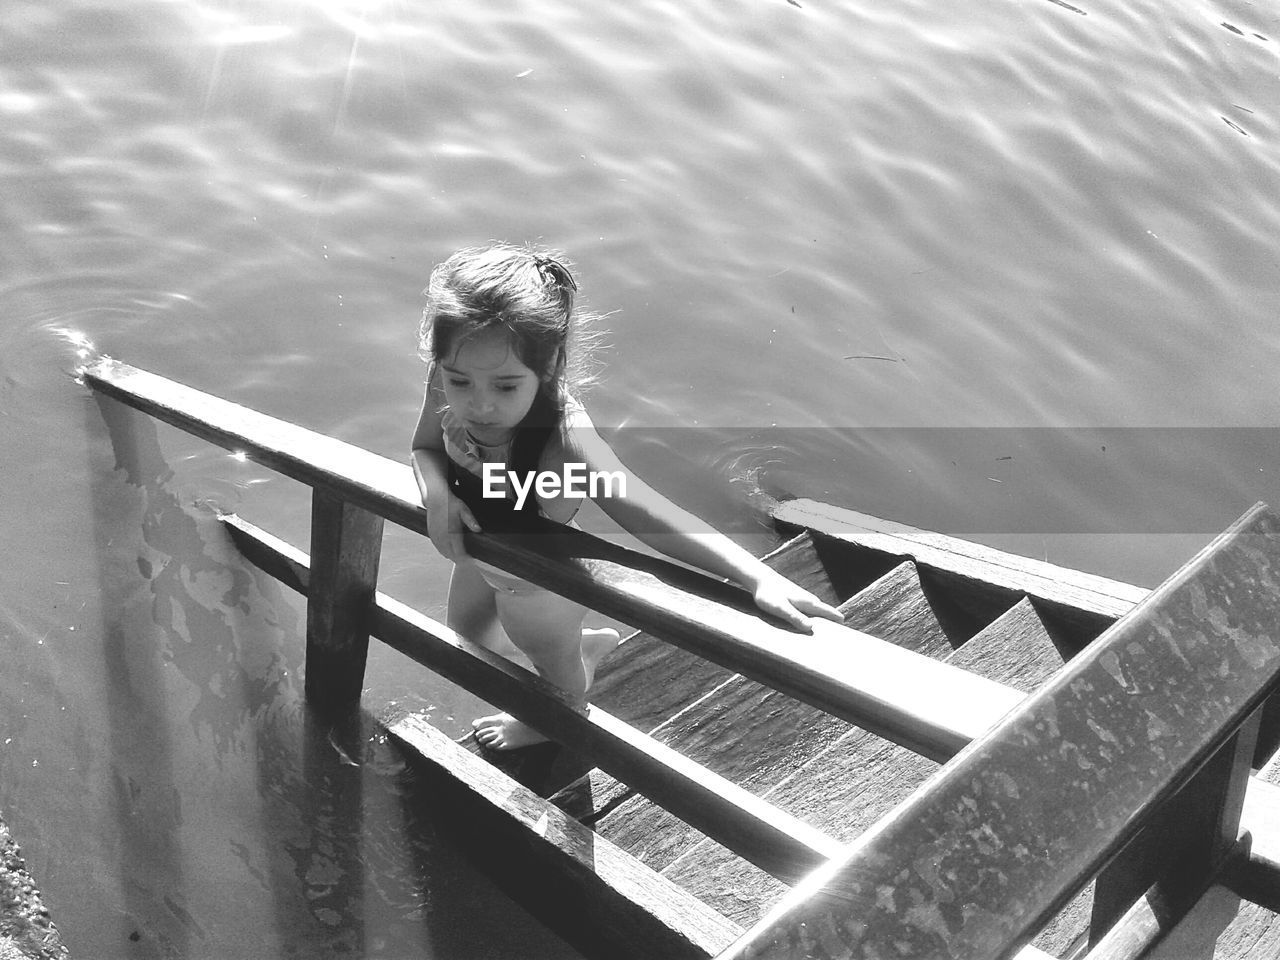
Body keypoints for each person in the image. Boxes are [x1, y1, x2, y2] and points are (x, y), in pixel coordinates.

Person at [410, 244, 842, 750]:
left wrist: (756, 576)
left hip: (538, 582)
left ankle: (554, 716)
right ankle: (586, 648)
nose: (478, 403)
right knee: (466, 631)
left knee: (553, 665)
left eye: (506, 387)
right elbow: (423, 447)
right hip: (482, 553)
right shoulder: (452, 372)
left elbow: (644, 508)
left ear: (547, 368)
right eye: (460, 381)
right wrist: (437, 497)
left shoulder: (564, 439)